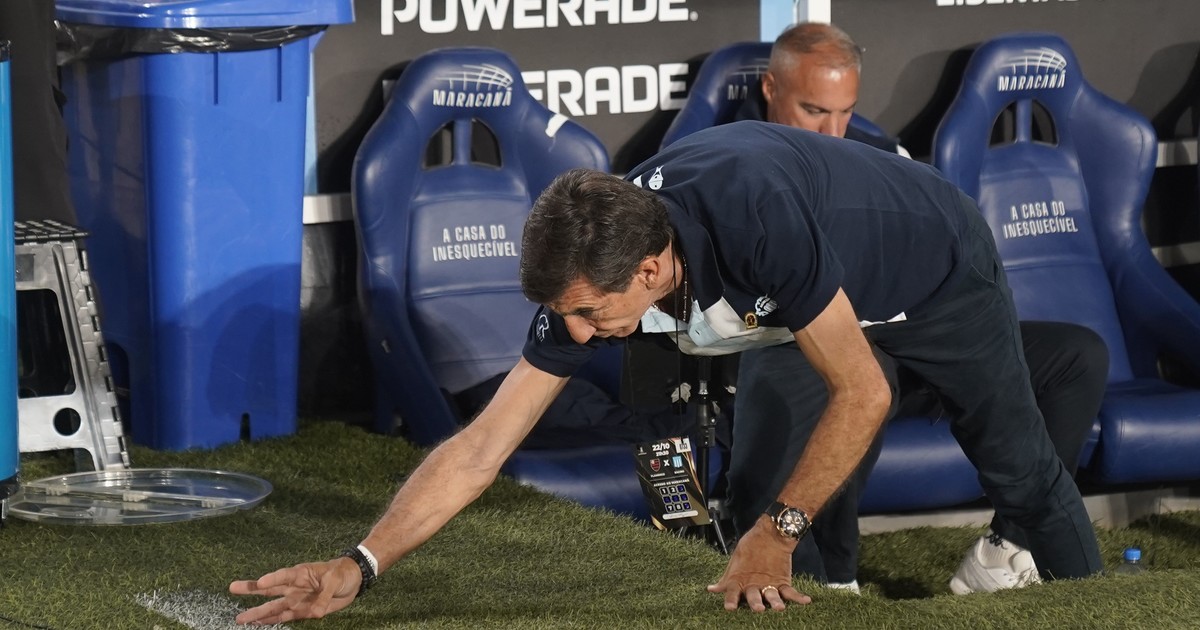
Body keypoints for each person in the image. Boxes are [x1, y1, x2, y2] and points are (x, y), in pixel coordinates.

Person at [230, 120, 1103, 622]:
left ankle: (1095, 602)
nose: (576, 333)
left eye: (588, 313)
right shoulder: (599, 264)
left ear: (650, 269)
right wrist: (360, 563)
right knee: (772, 460)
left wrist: (778, 530)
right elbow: (483, 445)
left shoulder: (755, 219)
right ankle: (830, 588)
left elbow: (864, 391)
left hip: (931, 272)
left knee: (1019, 465)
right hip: (795, 299)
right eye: (567, 314)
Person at [731, 22, 1109, 595]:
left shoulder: (884, 153)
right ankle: (830, 578)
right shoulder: (728, 164)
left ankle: (1006, 549)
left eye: (845, 111)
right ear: (770, 88)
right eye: (814, 110)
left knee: (1077, 356)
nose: (833, 131)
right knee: (856, 377)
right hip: (807, 350)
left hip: (919, 341)